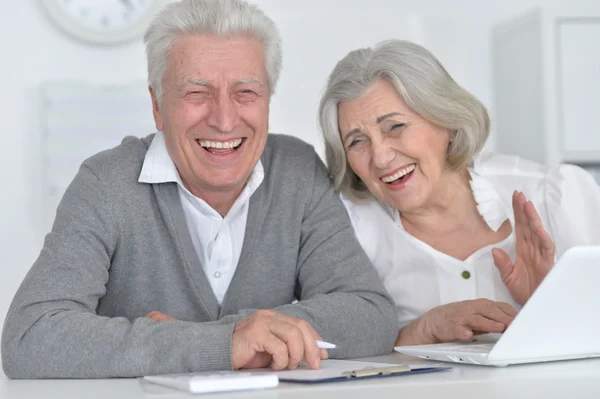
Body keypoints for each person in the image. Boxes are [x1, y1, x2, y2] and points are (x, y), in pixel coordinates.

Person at [1, 0, 398, 379]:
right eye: (196, 94)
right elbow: (30, 336)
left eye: (246, 93)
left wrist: (235, 334)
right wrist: (227, 343)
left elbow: (370, 315)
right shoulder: (105, 184)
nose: (224, 121)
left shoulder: (296, 170)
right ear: (157, 105)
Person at [319, 39, 600, 346]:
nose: (381, 157)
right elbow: (324, 346)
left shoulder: (555, 198)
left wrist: (548, 304)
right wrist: (421, 330)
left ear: (447, 121)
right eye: (356, 141)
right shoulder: (348, 229)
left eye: (395, 126)